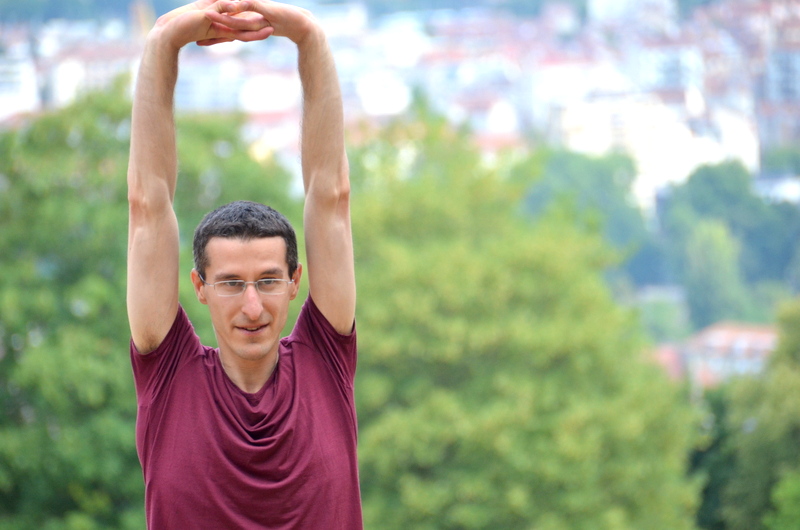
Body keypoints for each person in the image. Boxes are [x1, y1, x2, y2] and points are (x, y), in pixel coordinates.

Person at [125, 1, 360, 527]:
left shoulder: (326, 361)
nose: (252, 306)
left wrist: (309, 38)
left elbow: (332, 197)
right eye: (232, 283)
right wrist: (163, 42)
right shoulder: (169, 375)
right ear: (200, 286)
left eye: (268, 281)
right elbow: (147, 206)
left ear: (296, 282)